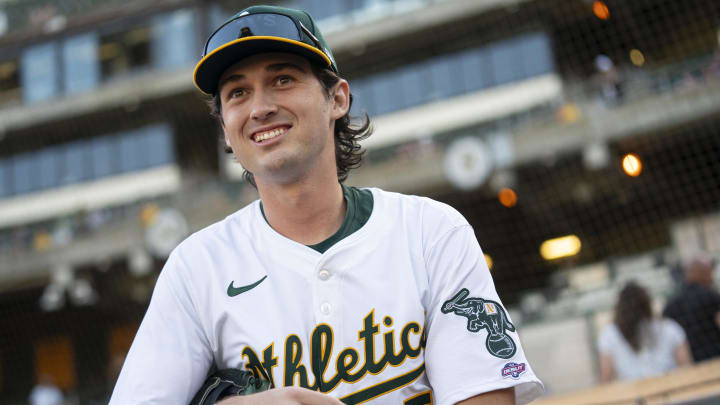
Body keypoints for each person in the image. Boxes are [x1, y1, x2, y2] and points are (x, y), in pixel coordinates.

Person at [109, 5, 543, 404]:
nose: (260, 107)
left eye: (283, 79)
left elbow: (484, 396)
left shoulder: (431, 231)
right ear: (225, 128)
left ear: (337, 98)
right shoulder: (196, 268)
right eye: (237, 93)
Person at [597, 282, 692, 382]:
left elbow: (606, 376)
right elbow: (686, 366)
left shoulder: (609, 334)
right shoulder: (669, 327)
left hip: (633, 392)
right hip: (670, 387)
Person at [663, 254, 720, 362]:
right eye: (709, 271)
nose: (712, 276)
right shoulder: (711, 296)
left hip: (690, 363)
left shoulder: (671, 304)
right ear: (700, 273)